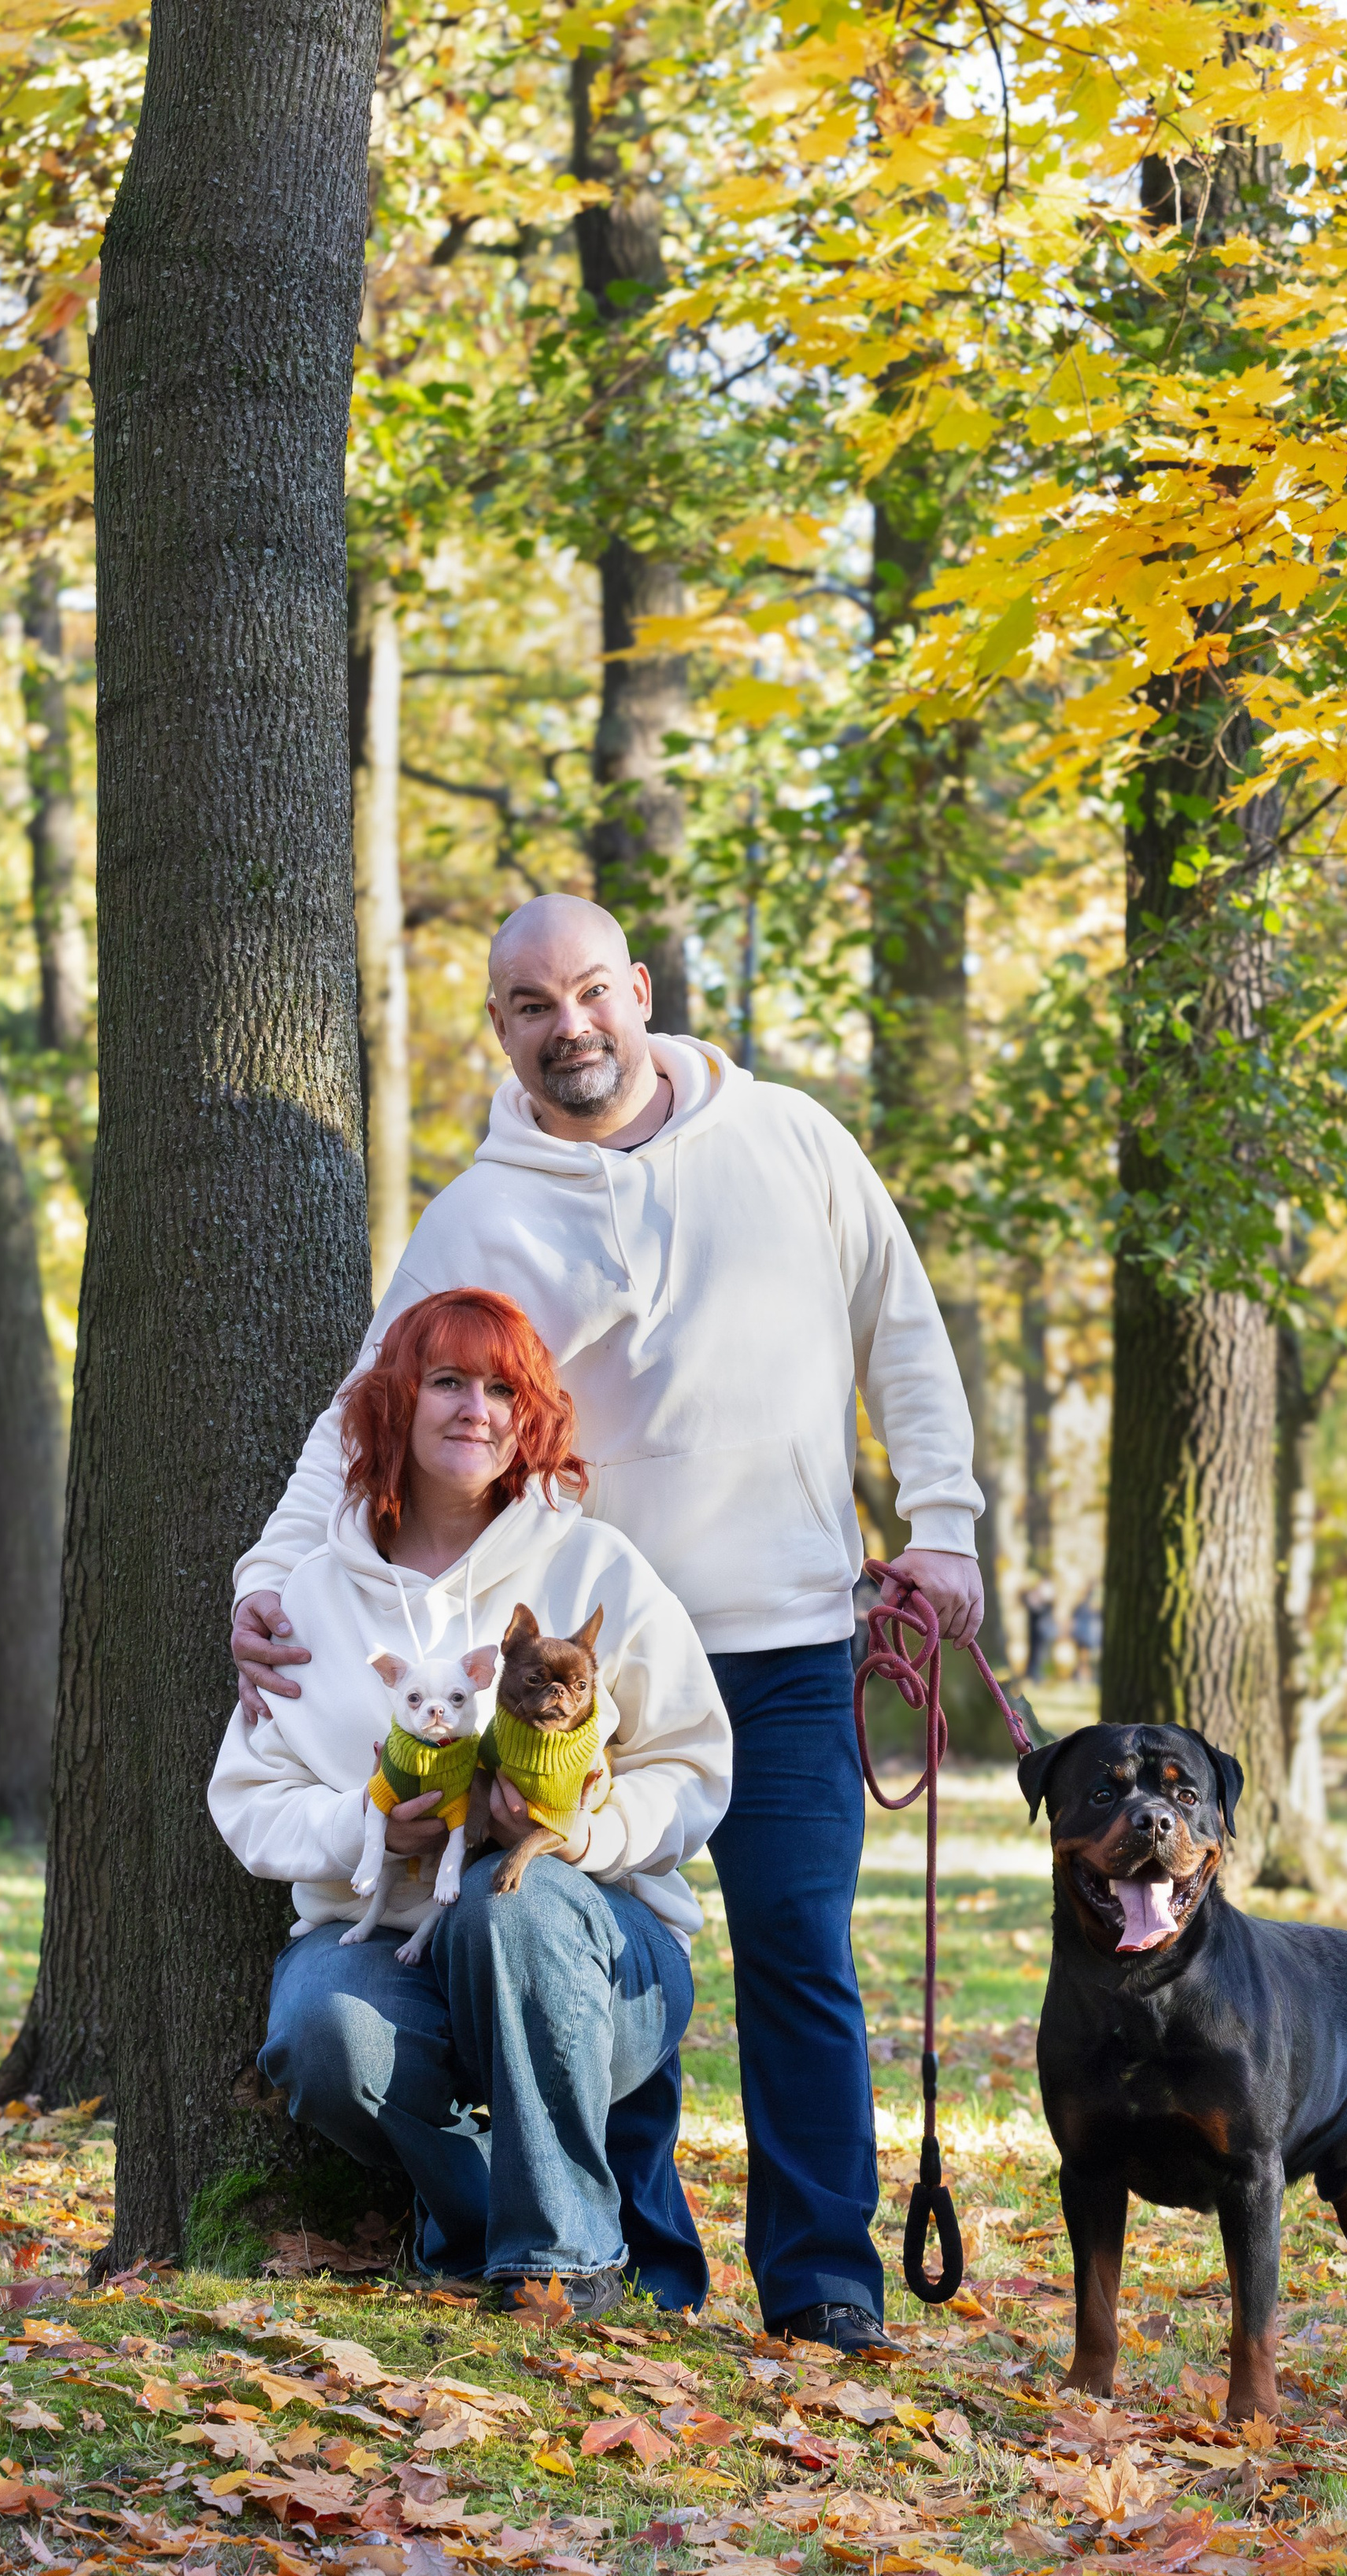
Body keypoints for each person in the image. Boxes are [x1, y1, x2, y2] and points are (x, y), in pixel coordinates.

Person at [231, 892, 983, 2352]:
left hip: (786, 1641)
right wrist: (269, 1572)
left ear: (639, 990)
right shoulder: (482, 1213)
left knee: (796, 1952)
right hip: (592, 1665)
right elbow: (372, 1404)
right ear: (502, 1032)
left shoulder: (793, 1142)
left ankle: (826, 2285)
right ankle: (633, 2263)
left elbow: (904, 1325)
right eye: (530, 1006)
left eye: (589, 992)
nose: (568, 1026)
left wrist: (940, 1524)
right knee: (583, 1922)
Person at [209, 1287, 732, 2318]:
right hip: (393, 1942)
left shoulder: (593, 1565)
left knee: (513, 1902)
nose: (475, 1409)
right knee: (324, 2033)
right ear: (397, 1402)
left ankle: (566, 2270)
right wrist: (369, 1829)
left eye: (503, 1389)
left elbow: (693, 1766)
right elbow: (248, 1796)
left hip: (593, 1947)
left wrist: (585, 1832)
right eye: (448, 1381)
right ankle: (489, 2232)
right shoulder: (310, 1595)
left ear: (529, 1414)